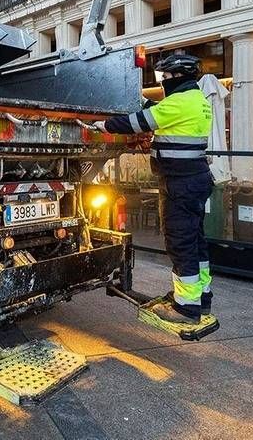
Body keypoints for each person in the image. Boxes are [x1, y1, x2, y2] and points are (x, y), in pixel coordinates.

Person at [95, 53, 213, 325]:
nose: (162, 82)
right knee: (196, 242)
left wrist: (104, 124)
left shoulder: (180, 103)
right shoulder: (197, 100)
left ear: (177, 76)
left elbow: (139, 123)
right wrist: (143, 102)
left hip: (180, 184)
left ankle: (185, 308)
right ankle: (200, 298)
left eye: (164, 77)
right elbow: (162, 111)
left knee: (180, 242)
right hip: (194, 180)